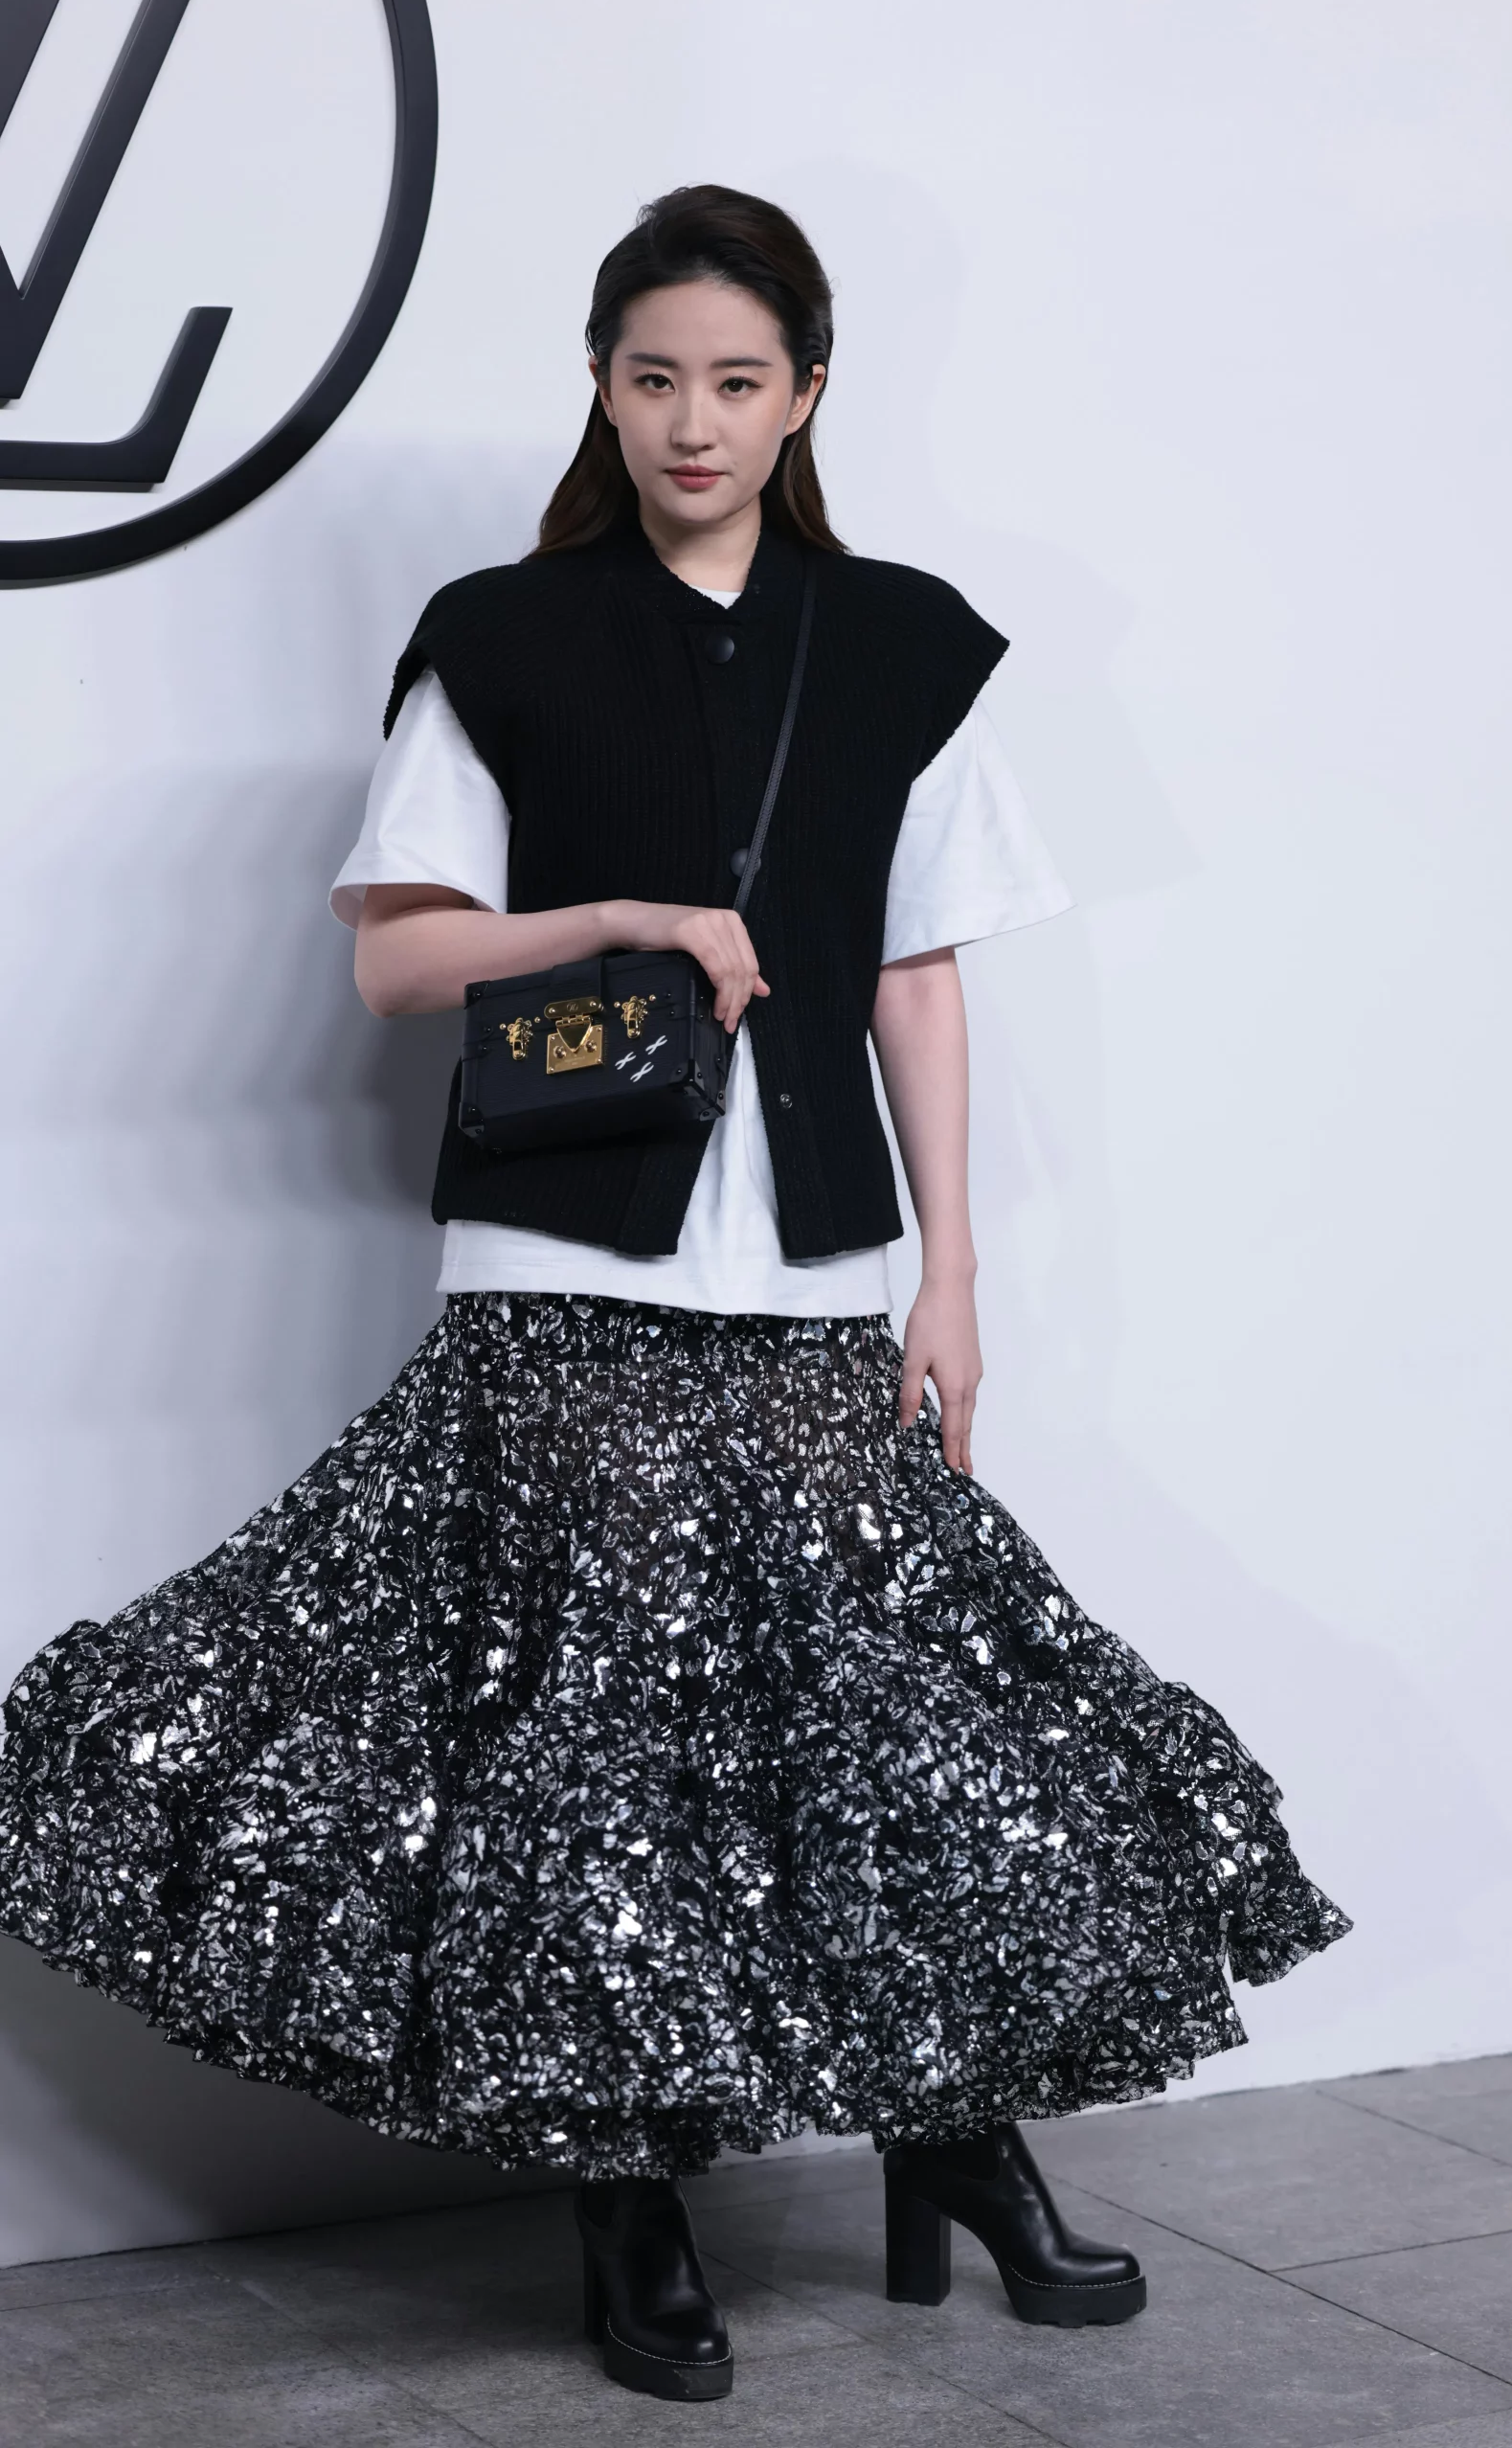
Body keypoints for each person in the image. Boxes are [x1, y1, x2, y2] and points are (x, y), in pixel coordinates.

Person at [0, 186, 1348, 2405]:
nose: (691, 421)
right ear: (600, 389)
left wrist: (950, 1273)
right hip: (565, 1263)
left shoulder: (903, 642)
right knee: (596, 1756)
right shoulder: (501, 635)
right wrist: (610, 915)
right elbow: (397, 959)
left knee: (889, 1724)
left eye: (734, 380)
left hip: (815, 1269)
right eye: (651, 379)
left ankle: (958, 2139)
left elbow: (916, 976)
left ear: (805, 392)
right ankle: (624, 2192)